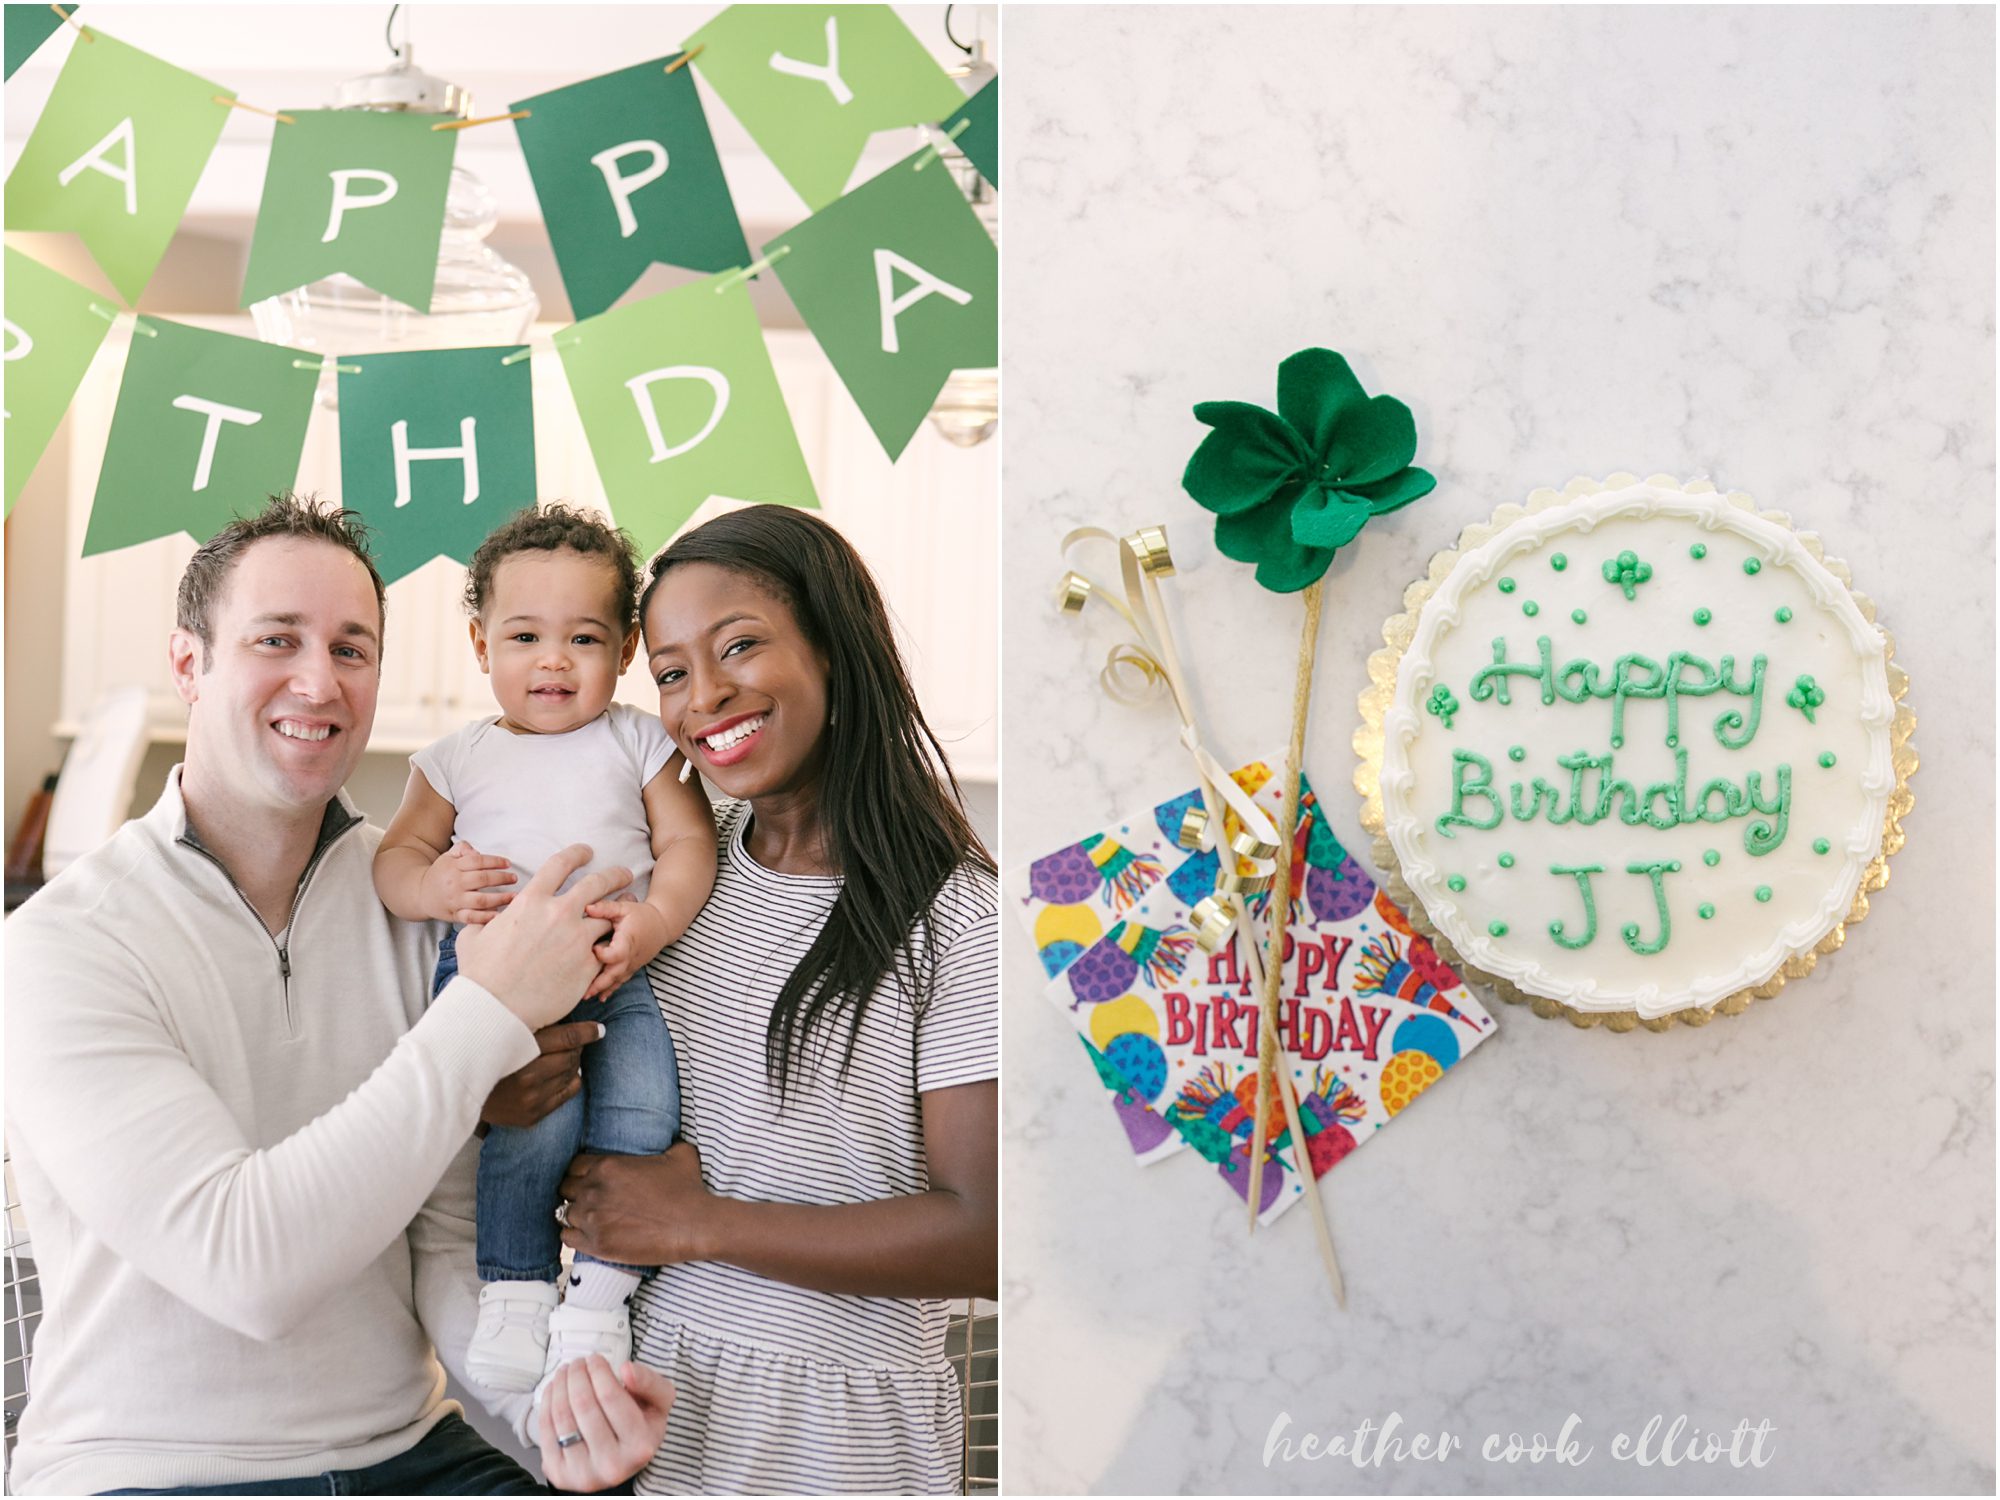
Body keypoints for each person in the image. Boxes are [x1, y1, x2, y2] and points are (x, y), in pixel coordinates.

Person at [3, 495, 671, 1496]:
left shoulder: (429, 898)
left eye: (351, 649)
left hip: (407, 1453)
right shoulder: (63, 943)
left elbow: (446, 1234)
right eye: (277, 640)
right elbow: (245, 1268)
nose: (318, 681)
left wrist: (547, 1423)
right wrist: (484, 1017)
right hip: (144, 1470)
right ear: (189, 663)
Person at [555, 506, 999, 1494]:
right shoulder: (682, 864)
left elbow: (985, 1234)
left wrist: (699, 1223)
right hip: (648, 1402)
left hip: (836, 1439)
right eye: (669, 671)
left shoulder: (955, 920)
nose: (702, 697)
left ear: (835, 651)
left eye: (740, 646)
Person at [375, 505, 715, 1397]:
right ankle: (518, 1289)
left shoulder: (640, 741)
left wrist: (652, 925)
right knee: (534, 1130)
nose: (554, 660)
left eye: (584, 637)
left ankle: (599, 1296)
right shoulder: (452, 759)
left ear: (628, 648)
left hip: (617, 965)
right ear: (482, 644)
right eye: (525, 635)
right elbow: (397, 862)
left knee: (644, 1113)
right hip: (498, 985)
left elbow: (687, 849)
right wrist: (435, 888)